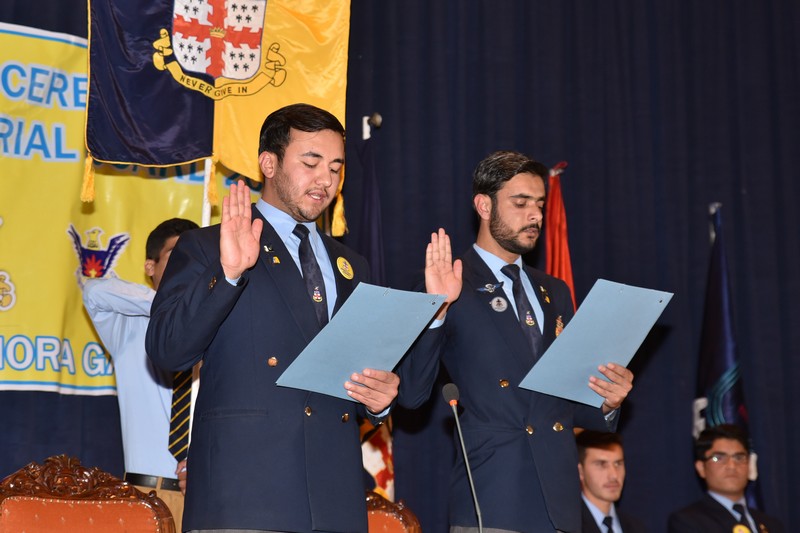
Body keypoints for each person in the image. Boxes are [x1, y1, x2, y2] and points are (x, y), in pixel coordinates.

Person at [145, 103, 400, 533]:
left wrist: (379, 398)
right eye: (311, 163)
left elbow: (347, 375)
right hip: (244, 495)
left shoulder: (351, 265)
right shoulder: (206, 247)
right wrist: (227, 274)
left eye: (336, 168)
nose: (326, 180)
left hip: (335, 500)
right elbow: (167, 349)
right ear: (269, 163)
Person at [397, 150, 634, 533]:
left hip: (559, 505)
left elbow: (564, 404)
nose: (535, 215)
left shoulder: (554, 291)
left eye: (539, 204)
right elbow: (411, 393)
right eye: (521, 203)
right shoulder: (450, 280)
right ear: (484, 205)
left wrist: (607, 401)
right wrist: (437, 308)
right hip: (494, 499)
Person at [83, 217, 198, 533]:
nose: (188, 263)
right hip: (143, 495)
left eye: (197, 256)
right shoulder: (128, 324)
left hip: (204, 496)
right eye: (177, 254)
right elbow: (94, 291)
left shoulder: (217, 326)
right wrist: (171, 306)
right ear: (150, 266)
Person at [667, 424, 784, 533]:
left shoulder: (773, 525)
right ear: (701, 467)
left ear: (749, 465)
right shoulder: (687, 521)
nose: (731, 466)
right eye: (718, 458)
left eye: (739, 457)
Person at [575, 430, 647, 533]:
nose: (614, 475)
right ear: (580, 471)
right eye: (602, 464)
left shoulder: (637, 528)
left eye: (618, 464)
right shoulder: (567, 527)